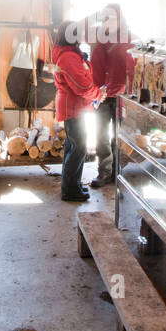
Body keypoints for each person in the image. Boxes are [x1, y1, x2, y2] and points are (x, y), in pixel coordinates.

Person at [50, 19, 104, 201]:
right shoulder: (68, 58)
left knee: (73, 147)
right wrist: (97, 94)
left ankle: (73, 185)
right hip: (74, 108)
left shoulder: (71, 54)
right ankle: (71, 191)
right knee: (78, 148)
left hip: (76, 107)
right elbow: (81, 86)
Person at [87, 3, 134, 188]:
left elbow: (133, 68)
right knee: (101, 135)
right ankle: (104, 172)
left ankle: (117, 171)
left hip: (121, 95)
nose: (107, 22)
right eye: (104, 18)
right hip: (101, 95)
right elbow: (95, 67)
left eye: (110, 18)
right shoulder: (98, 39)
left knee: (118, 135)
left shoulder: (128, 40)